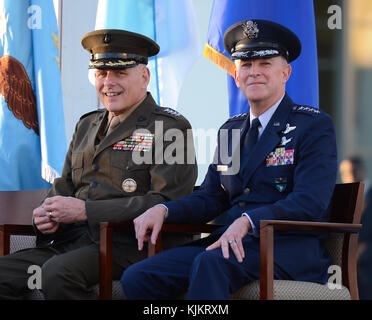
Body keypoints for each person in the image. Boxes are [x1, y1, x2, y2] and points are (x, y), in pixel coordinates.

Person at [121, 19, 338, 300]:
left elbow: (310, 201)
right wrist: (164, 210)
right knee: (140, 276)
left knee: (210, 264)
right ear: (236, 76)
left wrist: (249, 220)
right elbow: (212, 197)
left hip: (287, 248)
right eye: (246, 65)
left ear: (285, 73)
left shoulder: (313, 125)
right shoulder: (231, 130)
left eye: (265, 64)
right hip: (232, 243)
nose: (254, 73)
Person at [0, 29, 197, 299]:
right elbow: (65, 184)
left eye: (119, 73)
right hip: (74, 242)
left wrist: (86, 211)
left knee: (57, 274)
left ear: (144, 77)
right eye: (101, 73)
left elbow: (165, 202)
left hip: (130, 246)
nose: (108, 82)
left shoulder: (169, 128)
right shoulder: (87, 124)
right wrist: (45, 216)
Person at [339, 156, 372, 299]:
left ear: (362, 171)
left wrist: (364, 249)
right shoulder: (340, 198)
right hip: (346, 267)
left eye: (353, 171)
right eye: (345, 173)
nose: (350, 175)